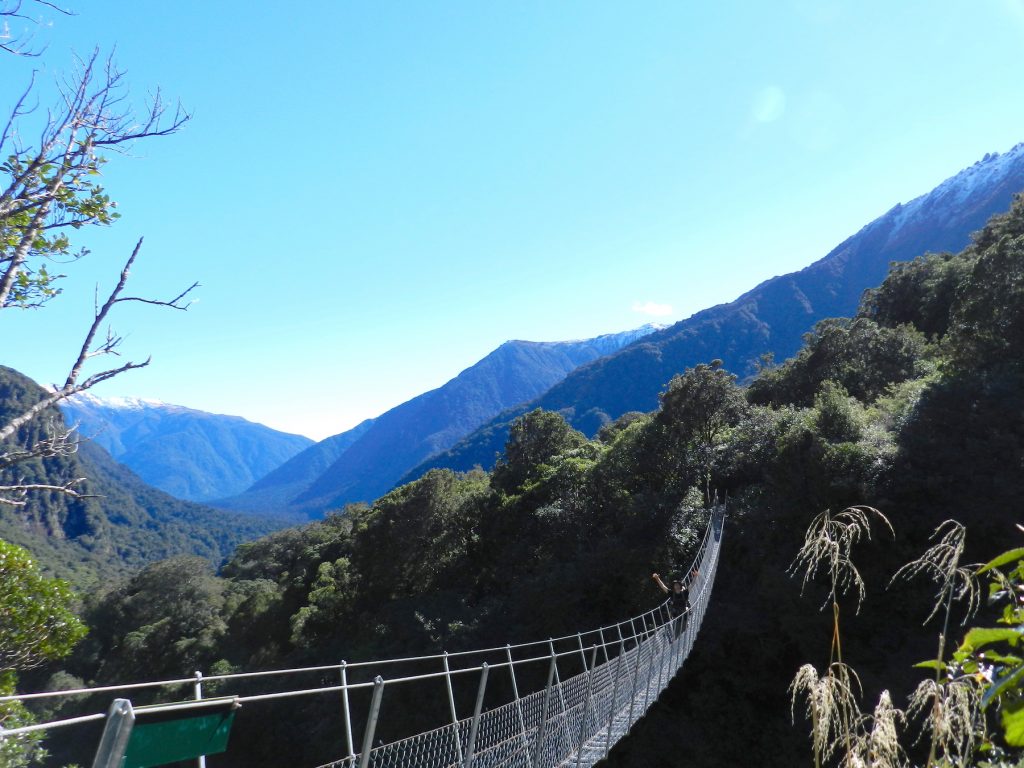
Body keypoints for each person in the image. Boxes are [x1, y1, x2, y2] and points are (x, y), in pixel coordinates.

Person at [652, 571, 690, 639]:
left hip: (684, 616)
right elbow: (663, 587)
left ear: (680, 585)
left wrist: (696, 576)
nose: (676, 586)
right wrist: (657, 579)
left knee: (685, 633)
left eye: (677, 584)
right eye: (675, 585)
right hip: (676, 617)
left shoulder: (684, 592)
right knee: (677, 635)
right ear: (673, 587)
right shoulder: (672, 593)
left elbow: (691, 586)